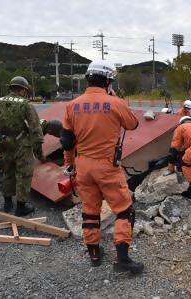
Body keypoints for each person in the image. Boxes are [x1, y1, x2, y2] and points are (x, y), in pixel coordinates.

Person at [61, 60, 143, 274]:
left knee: (89, 211)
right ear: (108, 81)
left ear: (88, 78)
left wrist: (70, 165)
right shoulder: (116, 103)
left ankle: (95, 254)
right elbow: (133, 124)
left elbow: (67, 142)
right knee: (125, 210)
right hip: (107, 166)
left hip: (83, 166)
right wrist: (116, 99)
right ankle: (122, 259)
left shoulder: (72, 106)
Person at [0, 76, 45, 216]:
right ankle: (21, 206)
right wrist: (39, 154)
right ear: (23, 90)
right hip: (22, 144)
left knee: (8, 172)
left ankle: (7, 203)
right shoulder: (26, 104)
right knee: (24, 174)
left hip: (5, 143)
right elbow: (35, 130)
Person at [0, 119, 63, 185]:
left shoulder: (43, 123)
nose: (53, 135)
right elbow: (37, 150)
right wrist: (44, 159)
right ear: (50, 131)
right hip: (4, 135)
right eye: (54, 134)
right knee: (6, 155)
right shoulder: (38, 132)